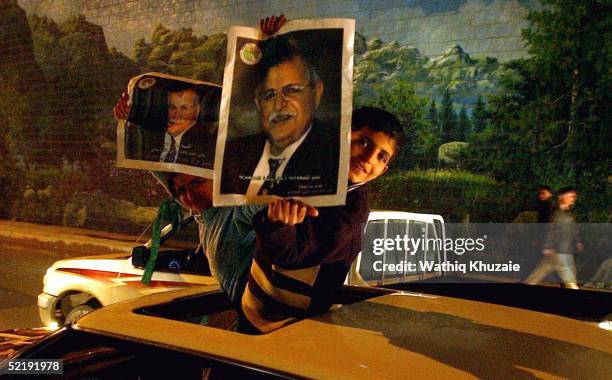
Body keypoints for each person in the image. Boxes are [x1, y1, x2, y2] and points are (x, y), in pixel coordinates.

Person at [240, 106, 405, 333]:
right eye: (364, 142)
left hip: (290, 330)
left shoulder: (352, 210)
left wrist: (278, 222)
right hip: (253, 310)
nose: (369, 158)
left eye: (381, 156)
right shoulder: (312, 174)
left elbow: (291, 255)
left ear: (383, 169)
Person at [221, 34, 339, 197]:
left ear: (317, 92)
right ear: (257, 102)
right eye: (269, 95)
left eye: (291, 90)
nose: (278, 105)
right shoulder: (232, 156)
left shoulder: (336, 158)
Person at [123, 83, 217, 169]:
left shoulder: (207, 146)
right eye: (172, 107)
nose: (175, 115)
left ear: (197, 110)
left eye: (184, 108)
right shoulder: (152, 135)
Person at [525, 186, 583, 289]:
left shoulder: (568, 214)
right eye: (571, 196)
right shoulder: (557, 214)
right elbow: (552, 231)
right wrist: (548, 246)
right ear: (562, 197)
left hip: (564, 251)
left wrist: (578, 241)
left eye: (574, 197)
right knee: (570, 281)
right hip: (560, 252)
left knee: (536, 276)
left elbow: (573, 230)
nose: (573, 199)